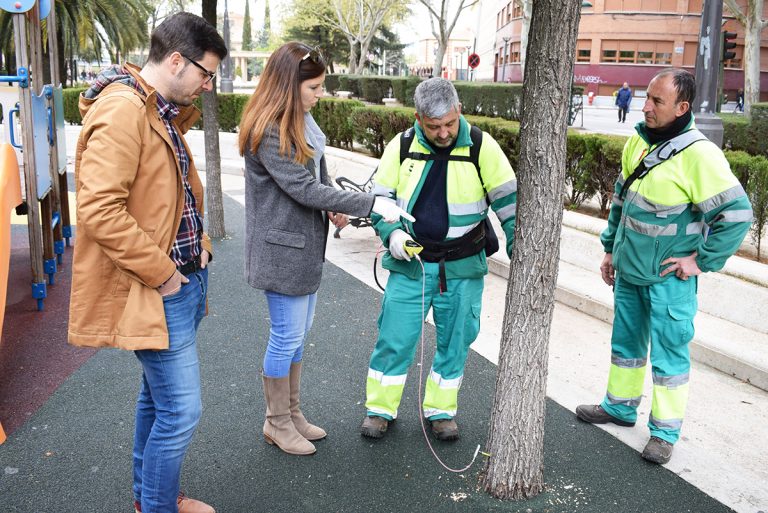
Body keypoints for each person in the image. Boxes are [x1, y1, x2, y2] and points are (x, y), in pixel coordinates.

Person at [67, 12, 227, 513]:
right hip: (160, 287)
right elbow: (98, 210)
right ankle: (156, 506)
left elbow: (172, 191)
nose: (208, 85)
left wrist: (199, 244)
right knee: (180, 410)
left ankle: (150, 497)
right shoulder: (124, 110)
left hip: (179, 279)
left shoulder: (157, 108)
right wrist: (166, 276)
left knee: (158, 401)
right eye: (206, 73)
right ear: (176, 60)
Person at [237, 42, 412, 456]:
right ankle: (275, 421)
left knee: (298, 336)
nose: (320, 94)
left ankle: (291, 413)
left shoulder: (301, 123)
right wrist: (371, 203)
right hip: (281, 249)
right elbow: (302, 187)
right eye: (313, 87)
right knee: (285, 337)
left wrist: (336, 208)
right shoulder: (270, 129)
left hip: (301, 247)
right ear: (288, 85)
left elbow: (317, 177)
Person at [576, 69, 753, 465]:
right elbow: (621, 203)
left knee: (669, 358)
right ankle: (619, 408)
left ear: (682, 107)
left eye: (657, 101)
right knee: (625, 348)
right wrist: (609, 252)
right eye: (647, 97)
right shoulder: (638, 141)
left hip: (669, 280)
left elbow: (739, 215)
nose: (646, 106)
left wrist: (700, 262)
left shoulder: (700, 155)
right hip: (630, 272)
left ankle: (664, 432)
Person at [360, 78, 517, 441]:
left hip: (462, 267)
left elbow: (510, 203)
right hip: (411, 264)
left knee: (456, 340)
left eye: (449, 123)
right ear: (418, 118)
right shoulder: (400, 147)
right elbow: (381, 202)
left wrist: (516, 245)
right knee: (394, 338)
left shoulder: (481, 146)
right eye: (434, 127)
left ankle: (441, 411)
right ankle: (380, 409)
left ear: (458, 109)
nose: (444, 132)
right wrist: (393, 234)